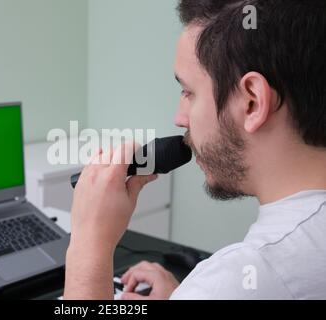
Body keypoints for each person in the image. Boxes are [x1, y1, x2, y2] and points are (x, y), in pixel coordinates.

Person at [63, 0, 326, 300]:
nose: (179, 118)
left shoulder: (248, 275)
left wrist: (87, 245)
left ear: (251, 102)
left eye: (188, 92)